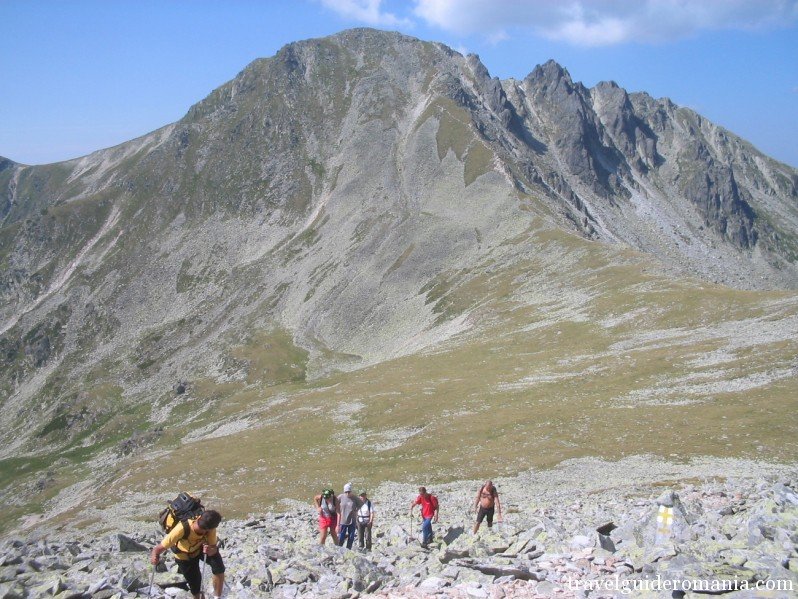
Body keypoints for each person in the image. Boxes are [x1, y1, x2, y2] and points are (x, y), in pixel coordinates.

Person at [150, 509, 225, 599]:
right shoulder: (181, 529)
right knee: (195, 585)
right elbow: (158, 549)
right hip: (183, 556)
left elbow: (213, 547)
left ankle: (217, 597)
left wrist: (211, 550)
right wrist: (154, 557)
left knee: (218, 567)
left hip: (200, 549)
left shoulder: (210, 528)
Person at [336, 483, 362, 549]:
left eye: (349, 492)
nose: (347, 493)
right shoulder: (340, 497)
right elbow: (335, 503)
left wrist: (356, 510)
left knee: (351, 536)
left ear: (351, 491)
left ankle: (348, 548)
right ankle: (339, 548)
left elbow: (361, 504)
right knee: (341, 535)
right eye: (346, 492)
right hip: (343, 520)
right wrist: (338, 510)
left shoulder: (354, 498)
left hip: (352, 520)